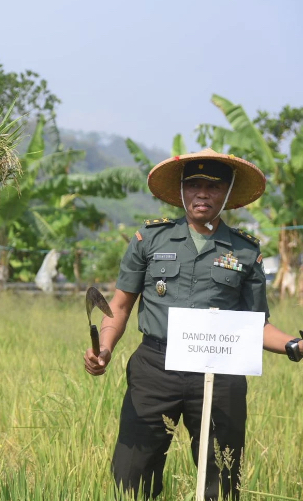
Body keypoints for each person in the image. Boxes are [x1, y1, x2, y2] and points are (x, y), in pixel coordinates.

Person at [83, 149, 303, 500]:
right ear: (182, 190)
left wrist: (295, 345)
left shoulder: (245, 252)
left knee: (222, 477)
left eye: (213, 186)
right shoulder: (150, 239)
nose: (203, 193)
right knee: (132, 476)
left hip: (220, 372)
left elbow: (255, 325)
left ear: (228, 193)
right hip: (155, 368)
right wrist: (104, 348)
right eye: (194, 184)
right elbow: (120, 306)